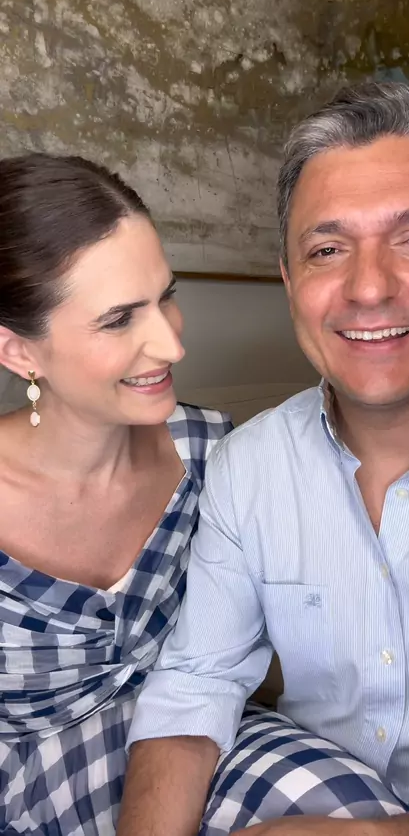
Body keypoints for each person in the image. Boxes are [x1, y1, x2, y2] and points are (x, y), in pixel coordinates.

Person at [118, 81, 409, 836]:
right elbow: (197, 683)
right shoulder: (247, 467)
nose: (369, 287)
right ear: (290, 284)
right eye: (326, 250)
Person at [0, 153, 232, 835]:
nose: (171, 345)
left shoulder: (213, 450)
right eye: (119, 319)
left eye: (166, 297)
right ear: (19, 352)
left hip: (194, 745)